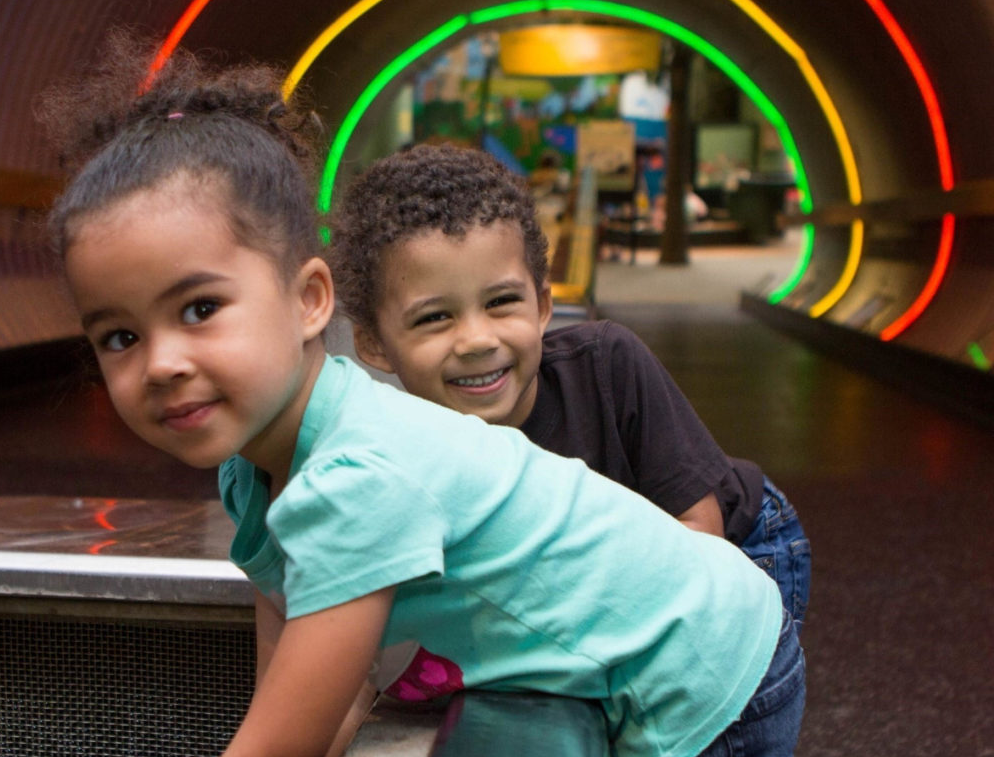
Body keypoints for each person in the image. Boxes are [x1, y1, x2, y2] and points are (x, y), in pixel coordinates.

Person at [43, 38, 803, 757]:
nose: (161, 362)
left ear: (310, 300)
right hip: (673, 636)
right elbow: (289, 704)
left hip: (700, 678)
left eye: (198, 309)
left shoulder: (358, 475)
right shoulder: (254, 470)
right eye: (120, 335)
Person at [328, 143, 810, 625]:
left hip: (739, 544)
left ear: (541, 306)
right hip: (604, 576)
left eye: (500, 303)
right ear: (372, 343)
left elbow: (700, 538)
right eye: (435, 317)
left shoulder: (606, 367)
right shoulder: (400, 446)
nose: (477, 340)